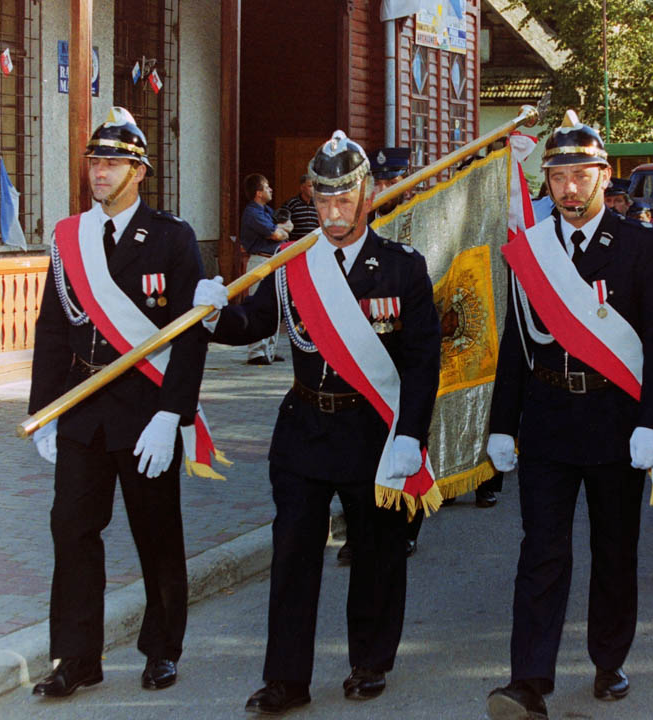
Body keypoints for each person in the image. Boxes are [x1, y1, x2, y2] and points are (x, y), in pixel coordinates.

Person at [194, 130, 441, 715]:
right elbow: (254, 324)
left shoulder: (402, 268)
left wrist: (410, 434)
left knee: (376, 553)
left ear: (367, 195)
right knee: (292, 557)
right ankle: (286, 679)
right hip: (304, 428)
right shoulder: (292, 267)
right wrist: (212, 316)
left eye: (343, 199)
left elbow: (422, 361)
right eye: (323, 198)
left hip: (371, 431)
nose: (332, 212)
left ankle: (370, 661)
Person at [484, 111, 653, 720]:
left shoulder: (642, 245)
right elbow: (517, 341)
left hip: (616, 420)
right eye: (557, 177)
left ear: (603, 176)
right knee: (541, 551)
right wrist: (502, 422)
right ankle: (528, 680)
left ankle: (608, 658)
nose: (568, 189)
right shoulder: (534, 250)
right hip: (547, 417)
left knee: (614, 548)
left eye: (580, 176)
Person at [28, 107, 208, 697]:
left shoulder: (173, 237)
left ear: (139, 172)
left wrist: (172, 414)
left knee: (156, 532)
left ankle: (161, 649)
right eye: (94, 162)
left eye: (111, 163)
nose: (99, 173)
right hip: (83, 408)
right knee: (71, 530)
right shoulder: (70, 237)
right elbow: (53, 328)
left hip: (145, 409)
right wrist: (45, 411)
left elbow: (189, 337)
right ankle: (77, 656)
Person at [239, 173, 292, 365]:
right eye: (267, 186)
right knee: (258, 305)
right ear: (258, 192)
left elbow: (288, 226)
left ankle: (269, 350)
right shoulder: (252, 213)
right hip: (260, 261)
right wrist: (280, 230)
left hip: (274, 260)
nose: (271, 189)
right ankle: (256, 352)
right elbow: (277, 234)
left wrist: (280, 230)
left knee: (273, 307)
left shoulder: (267, 211)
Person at [368, 147, 411, 220]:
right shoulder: (362, 223)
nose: (382, 190)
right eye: (376, 183)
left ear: (407, 187)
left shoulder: (416, 222)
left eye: (391, 183)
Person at [282, 174, 321, 239]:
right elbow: (282, 223)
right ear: (302, 188)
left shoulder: (318, 204)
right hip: (296, 243)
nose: (314, 189)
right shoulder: (291, 203)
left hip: (314, 243)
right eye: (310, 186)